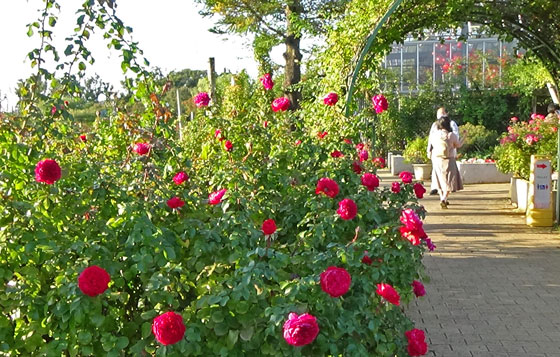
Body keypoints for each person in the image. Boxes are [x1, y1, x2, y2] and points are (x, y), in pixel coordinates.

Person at [431, 116, 464, 208]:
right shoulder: (451, 135)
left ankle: (442, 197)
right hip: (449, 160)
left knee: (439, 181)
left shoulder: (435, 135)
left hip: (437, 160)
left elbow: (432, 145)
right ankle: (444, 198)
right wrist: (465, 136)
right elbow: (458, 145)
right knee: (449, 182)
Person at [427, 107, 459, 195]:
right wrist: (429, 150)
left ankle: (449, 187)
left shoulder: (451, 123)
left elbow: (456, 136)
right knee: (436, 170)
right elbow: (431, 138)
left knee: (448, 171)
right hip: (437, 152)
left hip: (449, 151)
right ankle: (435, 187)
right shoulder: (435, 124)